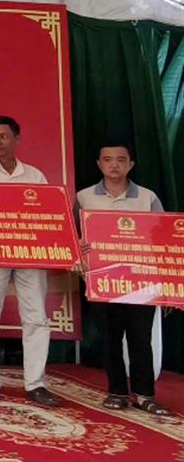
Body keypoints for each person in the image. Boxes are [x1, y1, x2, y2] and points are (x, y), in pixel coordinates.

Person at [0, 115, 61, 407]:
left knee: (36, 317)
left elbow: (48, 216)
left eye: (3, 136)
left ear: (17, 139)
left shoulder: (35, 176)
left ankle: (36, 384)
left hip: (29, 254)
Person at [76, 142, 169, 415]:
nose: (113, 165)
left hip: (142, 282)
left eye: (120, 159)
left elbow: (163, 237)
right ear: (99, 164)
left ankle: (144, 394)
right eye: (107, 160)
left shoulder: (148, 198)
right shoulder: (84, 198)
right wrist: (78, 251)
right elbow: (71, 237)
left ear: (130, 165)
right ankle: (116, 391)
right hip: (102, 282)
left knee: (140, 339)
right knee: (110, 339)